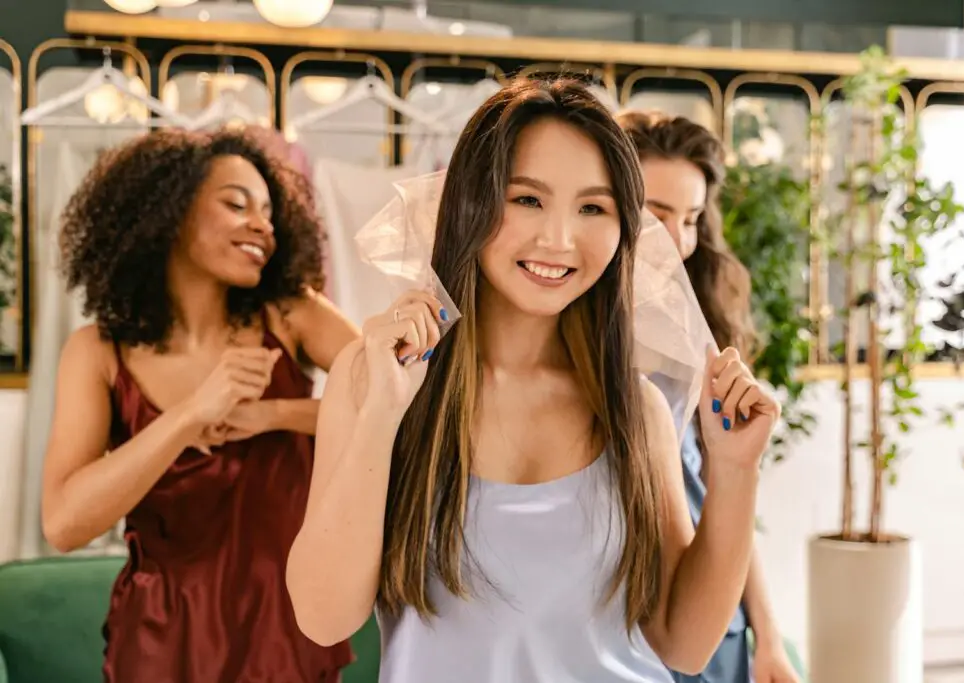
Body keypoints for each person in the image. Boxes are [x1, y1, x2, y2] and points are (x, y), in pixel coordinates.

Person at [286, 77, 780, 683]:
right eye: (527, 199)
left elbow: (683, 644)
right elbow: (323, 618)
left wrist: (736, 471)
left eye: (593, 208)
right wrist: (384, 412)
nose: (559, 239)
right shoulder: (372, 379)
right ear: (470, 202)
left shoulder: (634, 407)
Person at [40, 128, 359, 682]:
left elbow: (409, 403)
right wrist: (190, 417)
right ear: (169, 212)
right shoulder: (98, 352)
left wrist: (273, 414)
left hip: (282, 631)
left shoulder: (290, 316)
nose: (262, 225)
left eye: (267, 211)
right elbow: (65, 524)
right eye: (236, 205)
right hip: (160, 642)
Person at [617, 109, 801, 683]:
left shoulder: (697, 339)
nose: (677, 239)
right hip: (615, 606)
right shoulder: (558, 330)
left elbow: (720, 493)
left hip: (706, 595)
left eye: (692, 219)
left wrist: (768, 636)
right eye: (657, 214)